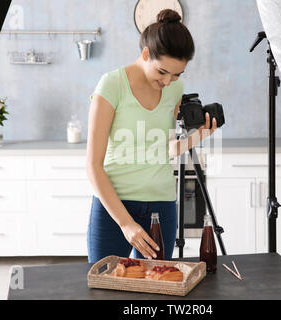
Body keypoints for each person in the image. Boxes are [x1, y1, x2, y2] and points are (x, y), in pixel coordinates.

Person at [86, 9, 218, 263]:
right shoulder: (112, 84)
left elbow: (166, 148)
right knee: (105, 287)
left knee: (156, 288)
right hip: (114, 206)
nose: (169, 81)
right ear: (146, 54)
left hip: (162, 204)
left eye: (177, 74)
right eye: (162, 72)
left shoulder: (174, 89)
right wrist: (126, 224)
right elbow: (93, 166)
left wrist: (197, 137)